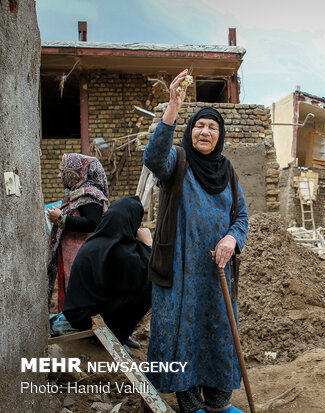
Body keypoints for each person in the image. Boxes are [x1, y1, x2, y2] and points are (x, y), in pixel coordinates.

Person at [144, 69, 249, 413]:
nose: (205, 132)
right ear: (191, 131)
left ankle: (217, 403)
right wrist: (173, 106)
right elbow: (153, 158)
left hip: (216, 275)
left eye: (213, 127)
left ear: (221, 136)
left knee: (217, 336)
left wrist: (232, 238)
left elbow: (242, 218)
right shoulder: (178, 161)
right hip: (180, 274)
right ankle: (189, 405)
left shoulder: (229, 172)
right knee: (182, 337)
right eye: (200, 126)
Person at [62, 196, 152, 345]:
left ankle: (119, 332)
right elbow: (150, 272)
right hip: (88, 319)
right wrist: (148, 245)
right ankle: (116, 336)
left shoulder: (100, 242)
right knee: (150, 286)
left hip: (80, 314)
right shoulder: (119, 250)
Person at [46, 153, 109, 311]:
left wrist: (61, 219)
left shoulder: (90, 195)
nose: (59, 175)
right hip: (73, 258)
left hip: (83, 257)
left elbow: (93, 223)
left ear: (75, 172)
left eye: (62, 171)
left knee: (81, 295)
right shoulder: (75, 194)